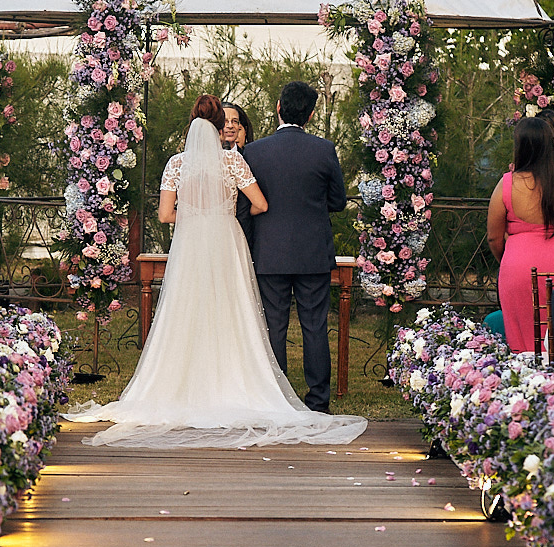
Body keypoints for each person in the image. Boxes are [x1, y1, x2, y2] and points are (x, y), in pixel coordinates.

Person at [64, 95, 366, 448]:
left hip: (191, 244)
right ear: (220, 127)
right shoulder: (233, 161)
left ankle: (187, 385)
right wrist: (222, 216)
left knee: (187, 311)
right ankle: (248, 385)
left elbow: (165, 215)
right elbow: (260, 204)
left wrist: (196, 216)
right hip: (226, 241)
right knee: (233, 311)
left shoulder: (176, 164)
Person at [240, 81, 348, 414]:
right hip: (312, 252)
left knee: (274, 325)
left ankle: (276, 398)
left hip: (269, 252)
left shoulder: (254, 151)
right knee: (314, 326)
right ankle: (318, 401)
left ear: (278, 107)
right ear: (311, 114)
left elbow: (245, 204)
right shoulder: (324, 149)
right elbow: (338, 201)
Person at [486, 116, 554, 352]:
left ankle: (527, 373)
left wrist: (507, 259)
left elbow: (493, 237)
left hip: (520, 272)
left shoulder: (507, 184)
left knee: (525, 343)